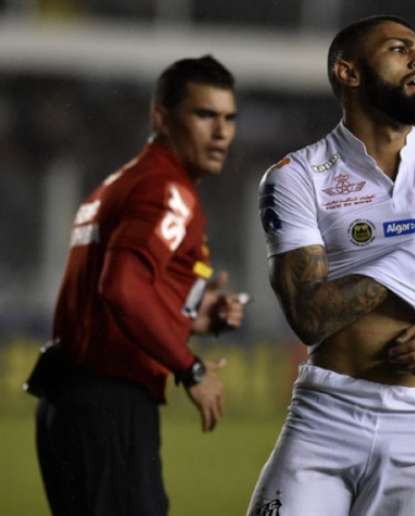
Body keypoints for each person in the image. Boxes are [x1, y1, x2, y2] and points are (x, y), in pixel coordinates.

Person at [248, 15, 415, 516]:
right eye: (399, 49)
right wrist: (413, 255)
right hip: (326, 415)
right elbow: (310, 317)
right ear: (348, 73)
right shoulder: (297, 176)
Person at [32, 55, 246, 516]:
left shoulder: (118, 183)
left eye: (229, 118)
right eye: (205, 114)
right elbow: (122, 288)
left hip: (71, 402)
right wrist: (191, 369)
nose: (222, 132)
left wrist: (193, 314)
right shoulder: (167, 190)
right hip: (109, 405)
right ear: (160, 117)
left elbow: (111, 297)